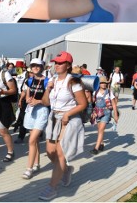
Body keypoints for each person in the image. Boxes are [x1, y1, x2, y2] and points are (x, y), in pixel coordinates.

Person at [39, 51, 88, 201]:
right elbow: (46, 102)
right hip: (53, 117)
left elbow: (83, 104)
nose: (57, 65)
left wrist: (67, 114)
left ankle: (52, 188)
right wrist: (48, 89)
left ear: (68, 65)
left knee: (60, 153)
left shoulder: (73, 82)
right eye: (56, 62)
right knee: (49, 152)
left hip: (69, 119)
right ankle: (66, 170)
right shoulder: (52, 80)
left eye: (60, 63)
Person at [21, 58, 50, 179]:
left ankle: (29, 169)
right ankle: (37, 164)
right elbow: (28, 91)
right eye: (33, 65)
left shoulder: (47, 81)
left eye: (38, 65)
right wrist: (27, 99)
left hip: (41, 111)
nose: (35, 67)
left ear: (42, 67)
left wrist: (38, 101)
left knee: (31, 140)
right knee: (35, 140)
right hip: (30, 111)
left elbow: (48, 101)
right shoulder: (30, 80)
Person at [89, 78, 118, 154]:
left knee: (101, 129)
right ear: (99, 84)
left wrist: (115, 114)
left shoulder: (109, 92)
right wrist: (93, 112)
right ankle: (101, 143)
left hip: (106, 112)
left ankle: (96, 148)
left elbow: (114, 104)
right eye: (102, 83)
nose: (104, 84)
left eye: (105, 83)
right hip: (97, 112)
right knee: (99, 130)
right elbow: (93, 103)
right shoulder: (95, 92)